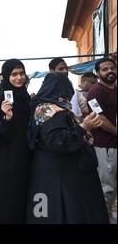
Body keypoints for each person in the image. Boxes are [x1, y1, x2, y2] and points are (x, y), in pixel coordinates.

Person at [26, 72, 109, 223]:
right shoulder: (53, 112)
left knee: (46, 213)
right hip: (61, 174)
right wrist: (84, 127)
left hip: (47, 171)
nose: (67, 97)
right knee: (62, 213)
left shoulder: (42, 107)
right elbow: (58, 141)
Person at [0, 59, 31, 224]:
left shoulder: (26, 97)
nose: (19, 78)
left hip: (26, 156)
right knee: (8, 199)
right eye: (14, 74)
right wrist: (7, 119)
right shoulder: (1, 98)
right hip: (8, 159)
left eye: (21, 73)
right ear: (7, 76)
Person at [87, 58, 117, 223]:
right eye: (104, 69)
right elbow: (99, 117)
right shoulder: (95, 92)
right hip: (105, 147)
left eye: (112, 68)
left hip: (115, 146)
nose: (110, 71)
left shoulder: (115, 89)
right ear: (98, 73)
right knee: (106, 188)